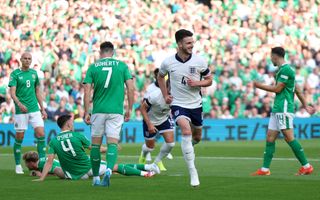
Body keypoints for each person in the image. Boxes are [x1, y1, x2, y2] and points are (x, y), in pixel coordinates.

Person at [157, 29, 212, 187]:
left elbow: (209, 80)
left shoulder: (199, 61)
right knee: (186, 131)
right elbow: (160, 77)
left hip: (196, 104)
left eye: (192, 42)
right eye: (188, 43)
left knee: (197, 137)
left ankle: (187, 148)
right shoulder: (168, 62)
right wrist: (165, 94)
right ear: (179, 44)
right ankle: (193, 172)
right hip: (178, 104)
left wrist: (198, 83)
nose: (191, 45)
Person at [32, 115, 159, 182]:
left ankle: (148, 167)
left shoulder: (53, 141)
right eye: (73, 122)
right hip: (89, 168)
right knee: (115, 167)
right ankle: (145, 173)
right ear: (69, 124)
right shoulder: (77, 135)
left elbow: (49, 162)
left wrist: (42, 178)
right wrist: (110, 148)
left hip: (74, 174)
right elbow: (95, 149)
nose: (74, 124)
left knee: (59, 169)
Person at [252, 47, 315, 176]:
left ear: (275, 56)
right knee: (270, 137)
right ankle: (265, 169)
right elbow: (296, 89)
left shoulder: (286, 70)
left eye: (271, 56)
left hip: (284, 108)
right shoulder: (282, 70)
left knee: (288, 137)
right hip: (278, 108)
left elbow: (278, 89)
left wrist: (259, 85)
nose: (270, 59)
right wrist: (305, 105)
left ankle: (306, 166)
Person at [83, 41, 135, 186]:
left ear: (100, 52)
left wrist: (87, 111)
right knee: (112, 143)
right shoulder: (122, 66)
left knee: (95, 145)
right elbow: (131, 88)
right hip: (116, 111)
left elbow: (87, 90)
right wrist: (130, 108)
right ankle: (108, 171)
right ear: (113, 52)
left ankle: (95, 179)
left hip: (98, 110)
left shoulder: (93, 67)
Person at [8, 52, 47, 174]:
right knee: (20, 137)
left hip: (34, 109)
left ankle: (41, 163)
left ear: (31, 60)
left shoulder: (34, 73)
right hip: (21, 110)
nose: (27, 60)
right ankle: (18, 165)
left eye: (29, 58)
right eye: (25, 58)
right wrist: (19, 104)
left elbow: (37, 92)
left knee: (41, 134)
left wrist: (42, 108)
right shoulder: (15, 74)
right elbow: (12, 93)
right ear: (20, 60)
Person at [139, 68, 175, 171]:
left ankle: (156, 162)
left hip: (164, 119)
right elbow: (142, 108)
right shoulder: (155, 95)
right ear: (167, 87)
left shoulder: (177, 97)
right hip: (150, 120)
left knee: (170, 143)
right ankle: (143, 154)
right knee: (150, 147)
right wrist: (149, 124)